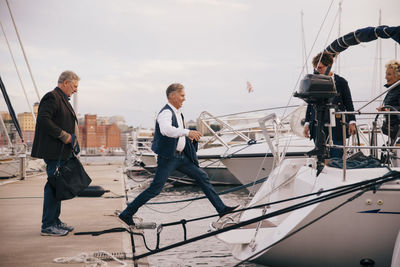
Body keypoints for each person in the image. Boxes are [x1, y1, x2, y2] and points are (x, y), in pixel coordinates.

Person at [118, 83, 238, 226]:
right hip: (168, 158)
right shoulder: (165, 113)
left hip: (182, 158)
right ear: (173, 96)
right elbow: (166, 130)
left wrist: (188, 137)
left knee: (202, 176)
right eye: (182, 95)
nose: (184, 99)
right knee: (155, 189)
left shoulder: (178, 113)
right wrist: (187, 132)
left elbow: (177, 134)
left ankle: (222, 209)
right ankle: (127, 214)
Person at [31, 70, 80, 236]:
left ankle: (55, 221)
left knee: (57, 185)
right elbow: (43, 120)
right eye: (74, 86)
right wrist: (64, 136)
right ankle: (48, 225)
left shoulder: (62, 99)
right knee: (53, 186)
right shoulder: (52, 97)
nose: (76, 90)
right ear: (65, 83)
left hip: (61, 151)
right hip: (54, 151)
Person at [303, 52, 357, 158]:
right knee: (321, 156)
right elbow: (310, 104)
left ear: (329, 66)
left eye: (320, 68)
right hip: (317, 124)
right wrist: (306, 122)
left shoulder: (341, 82)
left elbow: (348, 102)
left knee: (336, 155)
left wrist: (352, 121)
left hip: (337, 124)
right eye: (316, 68)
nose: (317, 71)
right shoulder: (313, 81)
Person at [376, 60, 400, 144]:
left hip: (396, 128)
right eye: (386, 74)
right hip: (392, 129)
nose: (386, 77)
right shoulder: (392, 89)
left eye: (389, 74)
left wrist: (389, 109)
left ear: (398, 76)